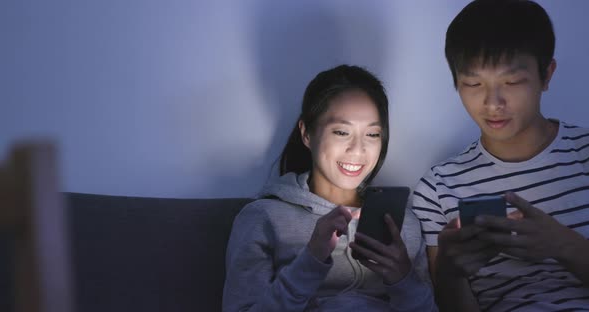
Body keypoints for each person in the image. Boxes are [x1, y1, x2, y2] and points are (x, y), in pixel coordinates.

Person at [411, 0, 589, 311]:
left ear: (546, 75)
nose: (492, 102)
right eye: (473, 83)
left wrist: (562, 244)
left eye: (511, 82)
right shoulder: (437, 188)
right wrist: (451, 273)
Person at [223, 65, 437, 311]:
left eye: (372, 134)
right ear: (306, 134)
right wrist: (310, 260)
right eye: (341, 132)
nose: (358, 150)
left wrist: (403, 280)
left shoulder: (405, 225)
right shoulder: (263, 218)